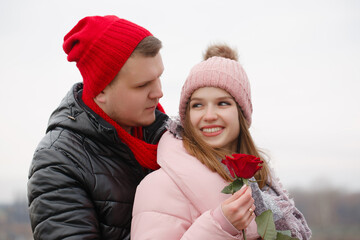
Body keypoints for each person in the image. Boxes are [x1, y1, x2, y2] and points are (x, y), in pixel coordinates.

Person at [131, 44, 312, 239]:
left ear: (241, 114)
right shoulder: (159, 186)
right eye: (198, 105)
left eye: (222, 103)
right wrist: (220, 225)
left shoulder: (263, 185)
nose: (209, 115)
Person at [27, 15, 168, 239]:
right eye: (142, 85)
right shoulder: (57, 162)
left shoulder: (169, 137)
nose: (159, 92)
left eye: (158, 77)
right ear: (100, 91)